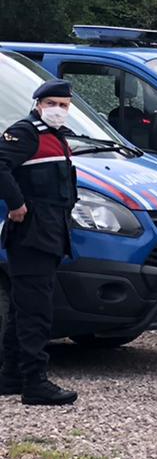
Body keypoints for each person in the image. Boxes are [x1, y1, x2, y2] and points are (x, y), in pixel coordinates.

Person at [0, 80, 81, 405]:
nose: (58, 110)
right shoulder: (25, 133)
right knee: (37, 314)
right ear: (38, 104)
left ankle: (10, 376)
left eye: (64, 104)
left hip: (50, 233)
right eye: (53, 103)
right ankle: (35, 383)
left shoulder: (57, 138)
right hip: (31, 235)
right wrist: (16, 203)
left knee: (23, 310)